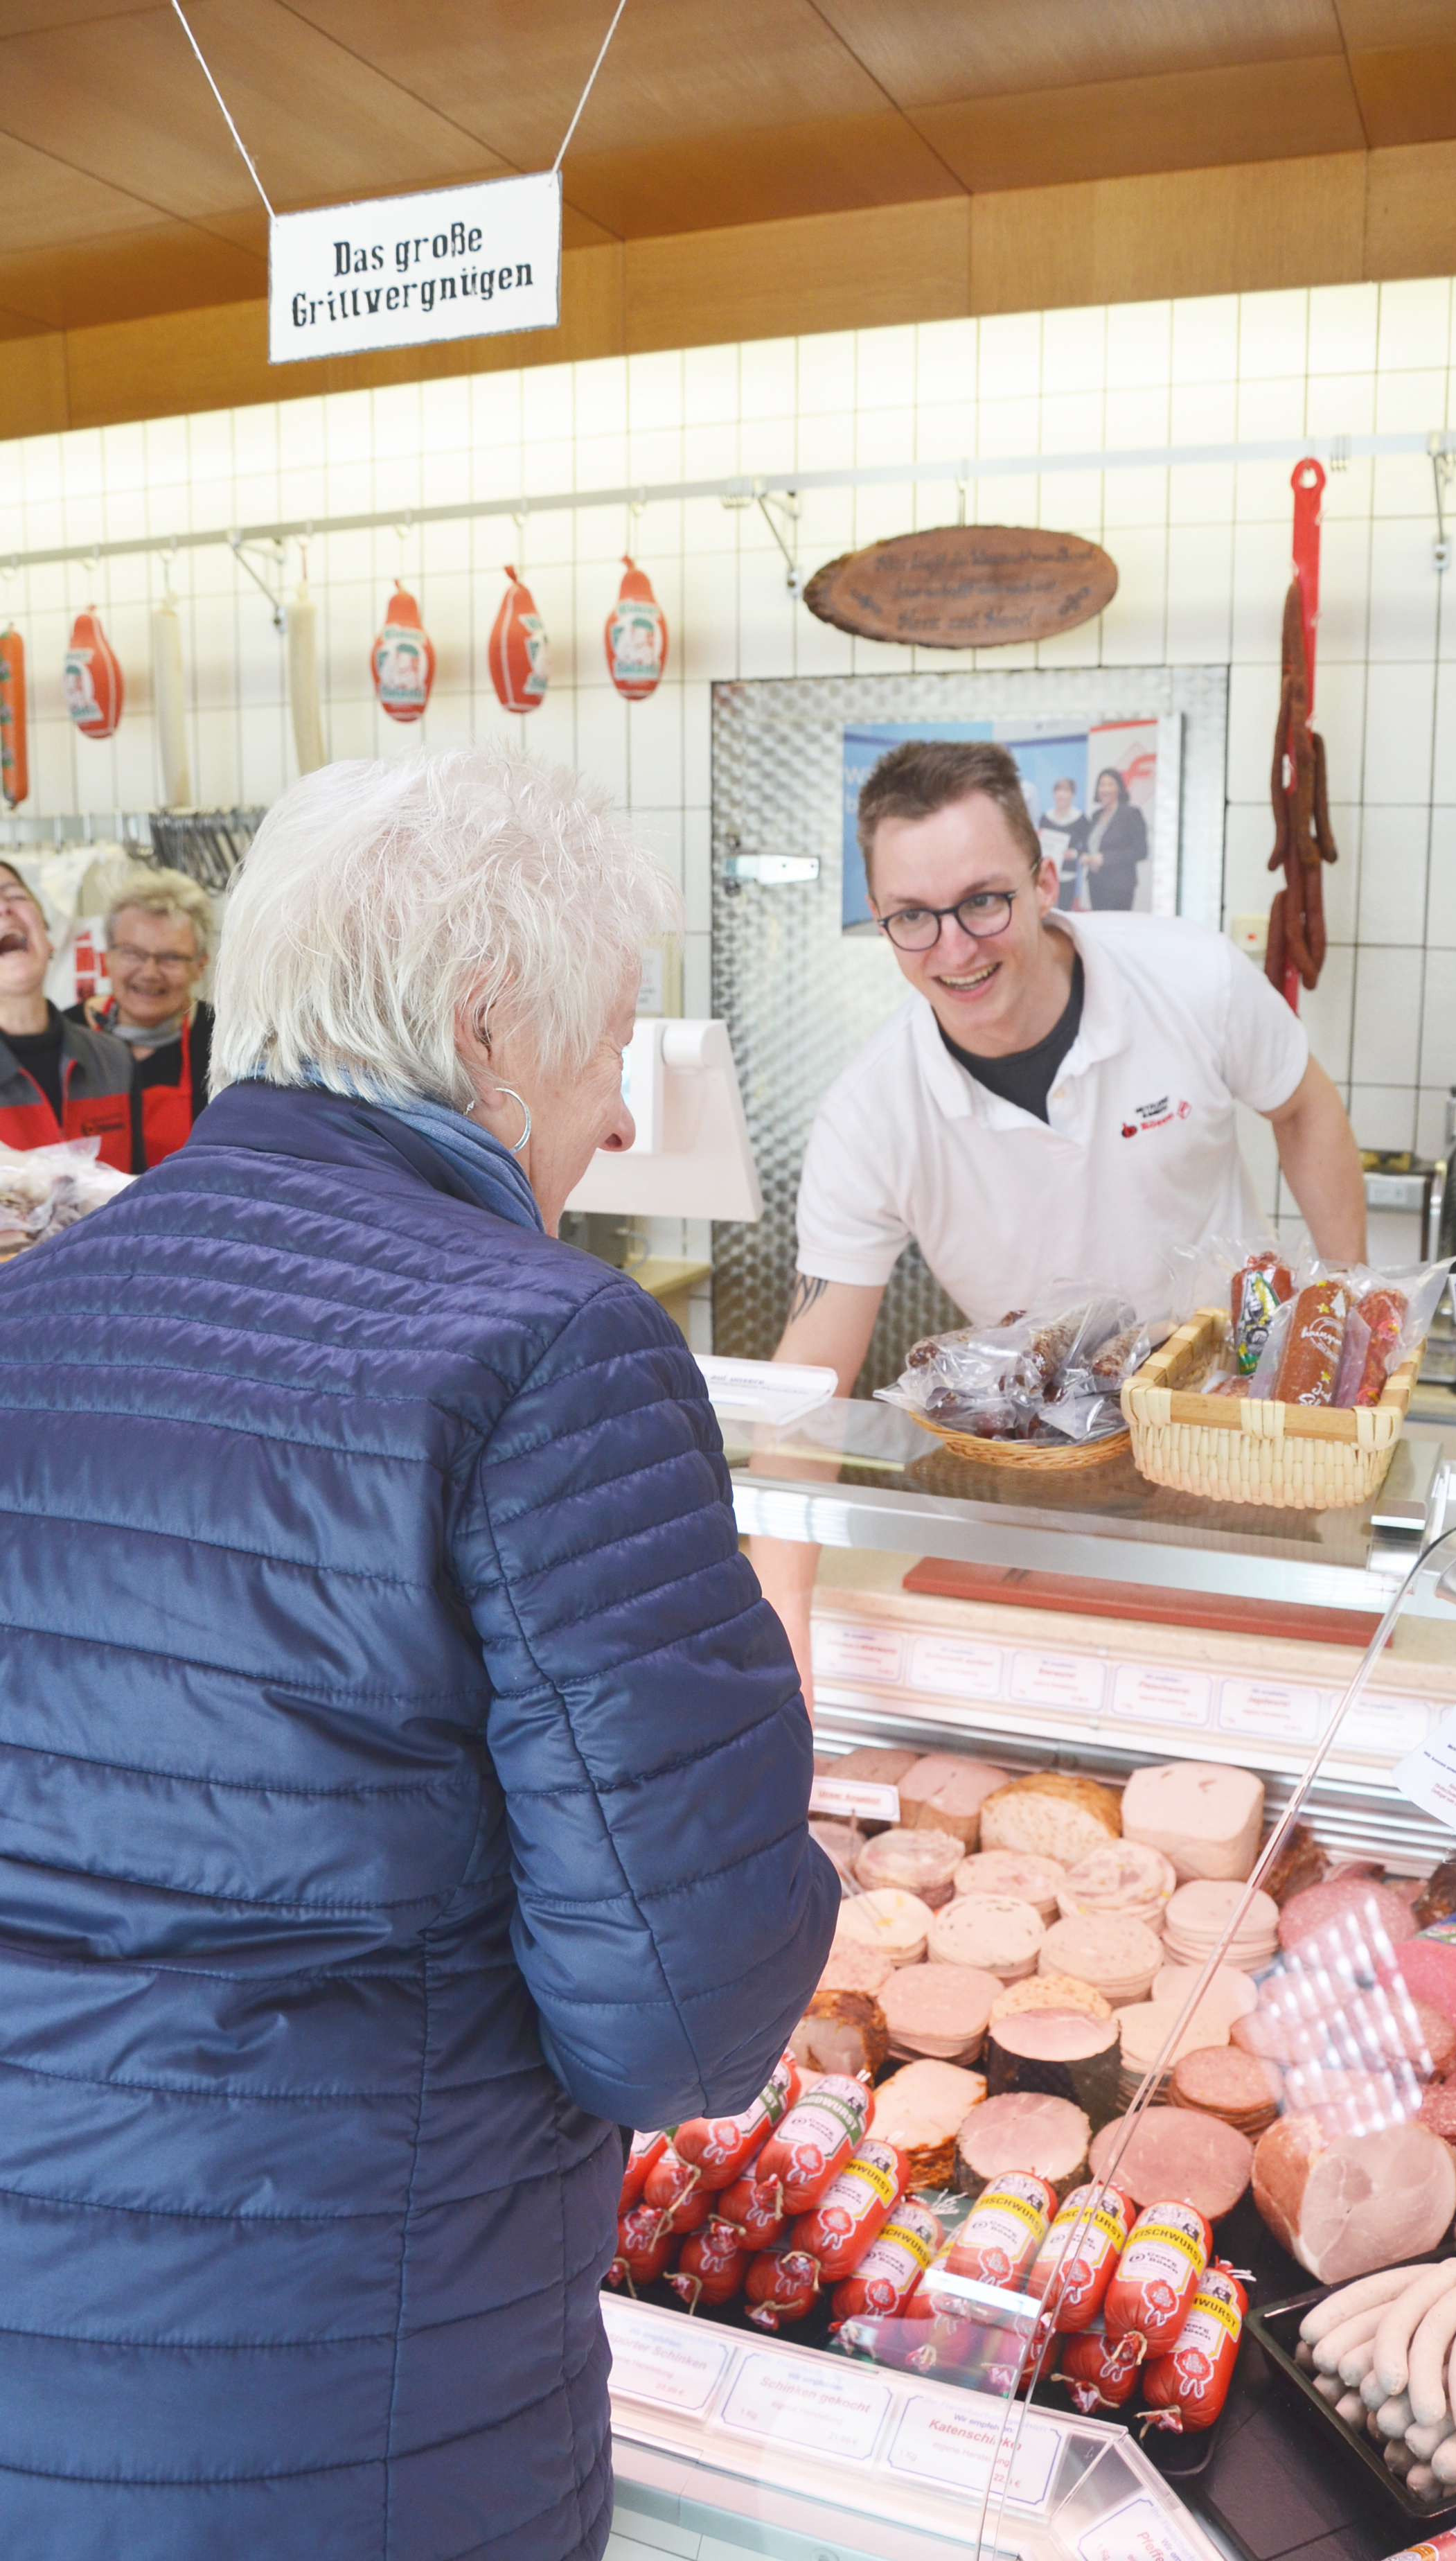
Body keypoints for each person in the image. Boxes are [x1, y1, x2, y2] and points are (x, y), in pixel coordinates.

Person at [0, 752, 835, 2558]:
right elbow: (679, 2017)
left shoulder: (22, 1315)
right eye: (611, 1042)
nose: (617, 1119)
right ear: (486, 1029)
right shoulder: (552, 1351)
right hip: (358, 2424)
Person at [752, 739, 1366, 1700]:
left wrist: (1347, 1311)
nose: (955, 949)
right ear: (883, 922)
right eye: (915, 918)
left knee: (1246, 1687)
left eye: (983, 901)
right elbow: (810, 1376)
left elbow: (1305, 1110)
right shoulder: (868, 1115)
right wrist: (781, 1623)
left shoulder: (1191, 980)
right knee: (1073, 1694)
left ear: (1045, 881)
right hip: (1040, 1467)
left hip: (1233, 1433)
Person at [68, 864, 215, 1170]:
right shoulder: (64, 1036)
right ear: (107, 955)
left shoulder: (225, 1041)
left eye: (170, 957)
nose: (149, 973)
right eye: (133, 953)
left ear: (200, 965)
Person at [0, 859, 131, 1163]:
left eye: (16, 895)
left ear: (49, 940)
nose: (5, 908)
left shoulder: (114, 1060)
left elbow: (134, 1201)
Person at [1075, 764, 1147, 910]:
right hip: (1095, 884)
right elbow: (1088, 845)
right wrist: (1083, 856)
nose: (1105, 789)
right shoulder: (1096, 816)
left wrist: (1106, 859)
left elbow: (1141, 851)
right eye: (1102, 785)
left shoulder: (1131, 814)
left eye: (1110, 784)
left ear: (1119, 788)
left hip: (1119, 887)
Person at [1036, 773, 1088, 908]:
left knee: (1066, 913)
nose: (1061, 795)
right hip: (1047, 876)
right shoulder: (1045, 818)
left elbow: (1088, 845)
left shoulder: (1080, 819)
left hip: (1068, 874)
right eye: (1058, 790)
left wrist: (1075, 853)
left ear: (1072, 795)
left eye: (1066, 791)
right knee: (1045, 912)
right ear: (1053, 794)